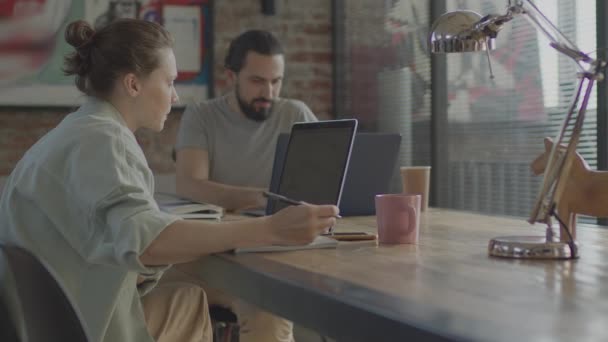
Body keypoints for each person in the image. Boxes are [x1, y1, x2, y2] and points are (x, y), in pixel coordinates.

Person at [0, 19, 338, 342]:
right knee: (193, 301)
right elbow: (148, 243)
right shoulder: (104, 140)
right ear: (133, 84)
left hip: (39, 321)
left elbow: (122, 238)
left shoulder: (76, 131)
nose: (175, 96)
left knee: (192, 295)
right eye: (169, 82)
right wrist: (271, 229)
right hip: (77, 326)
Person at [174, 29, 318, 212]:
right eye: (257, 81)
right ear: (231, 77)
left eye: (276, 81)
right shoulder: (201, 115)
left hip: (285, 229)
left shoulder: (297, 114)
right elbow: (189, 187)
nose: (268, 93)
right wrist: (267, 197)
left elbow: (326, 181)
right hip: (224, 232)